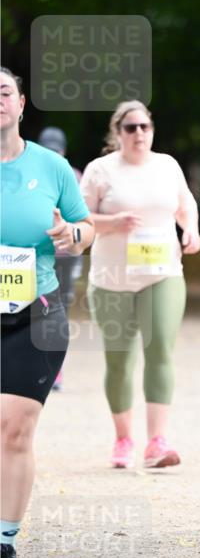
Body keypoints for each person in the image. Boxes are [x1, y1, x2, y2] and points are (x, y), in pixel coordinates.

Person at [1, 68, 94, 558]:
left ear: (21, 103)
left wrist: (70, 235)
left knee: (14, 429)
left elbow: (84, 229)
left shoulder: (52, 166)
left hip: (35, 314)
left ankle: (4, 547)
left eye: (4, 92)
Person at [80, 101, 200, 471]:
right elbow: (80, 220)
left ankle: (156, 442)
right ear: (117, 133)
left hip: (162, 272)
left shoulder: (167, 165)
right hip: (112, 278)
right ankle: (123, 439)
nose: (139, 134)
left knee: (160, 350)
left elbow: (185, 203)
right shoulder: (100, 170)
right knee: (119, 361)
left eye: (145, 127)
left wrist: (191, 228)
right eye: (130, 128)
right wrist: (112, 221)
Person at [38, 127, 83, 390]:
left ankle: (55, 369)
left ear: (64, 151)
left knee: (58, 309)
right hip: (38, 254)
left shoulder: (74, 177)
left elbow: (84, 216)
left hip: (65, 255)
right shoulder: (28, 174)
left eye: (57, 150)